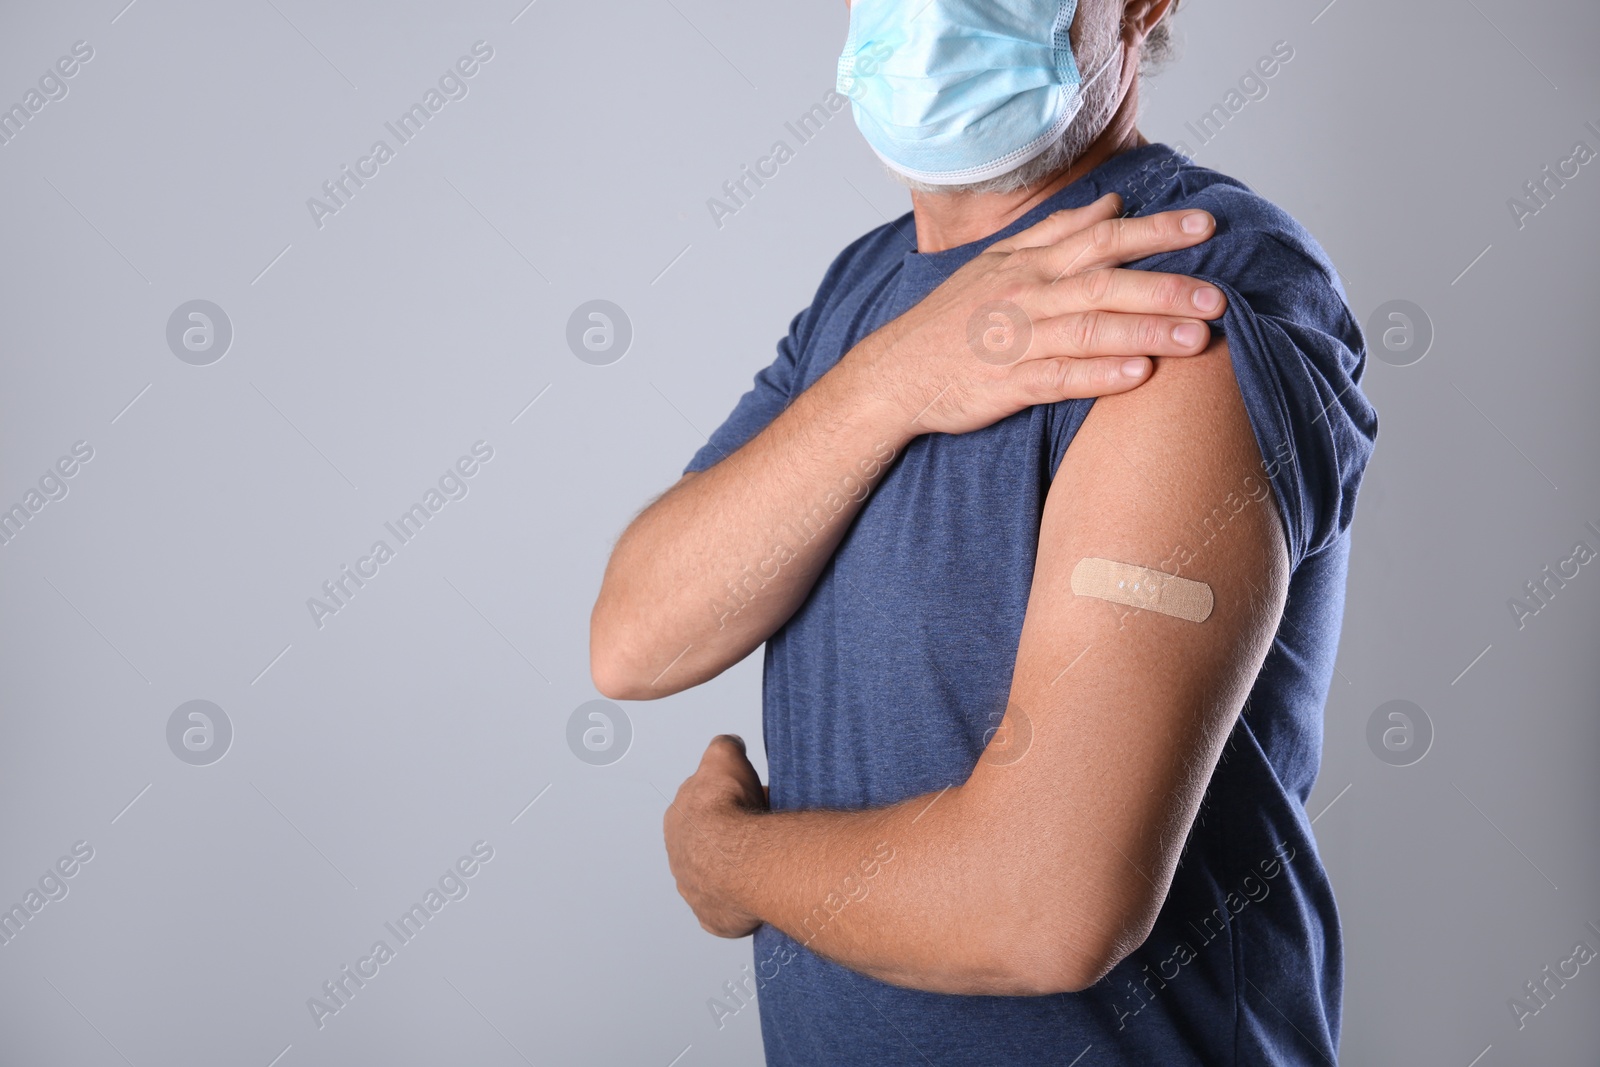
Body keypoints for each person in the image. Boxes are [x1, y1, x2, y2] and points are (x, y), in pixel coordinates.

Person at [590, 0, 1377, 1062]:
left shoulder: (1179, 298)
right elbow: (638, 635)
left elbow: (1041, 901)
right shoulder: (864, 300)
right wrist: (892, 383)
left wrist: (729, 859)